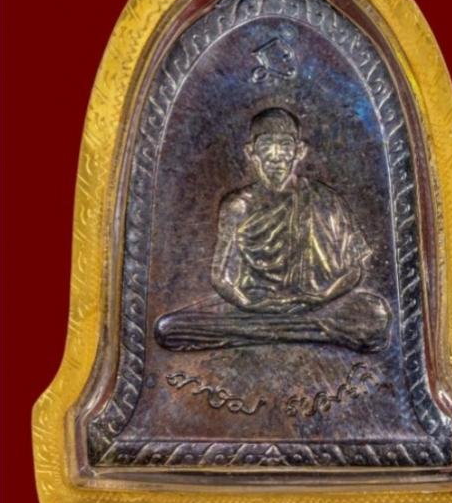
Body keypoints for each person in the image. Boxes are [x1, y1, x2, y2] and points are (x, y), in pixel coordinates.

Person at [155, 108, 390, 353]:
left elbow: (354, 269)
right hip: (253, 306)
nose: (276, 156)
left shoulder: (326, 200)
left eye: (285, 146)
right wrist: (250, 304)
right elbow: (221, 278)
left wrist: (322, 296)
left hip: (317, 304)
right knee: (167, 328)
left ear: (299, 151)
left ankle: (277, 330)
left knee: (375, 314)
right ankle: (305, 331)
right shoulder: (237, 206)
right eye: (266, 145)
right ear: (251, 152)